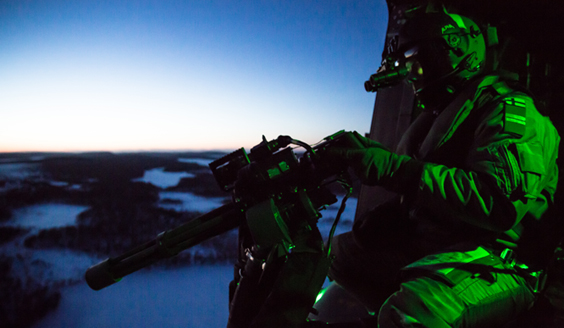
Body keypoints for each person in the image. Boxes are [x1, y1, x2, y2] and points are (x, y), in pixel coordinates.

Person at [324, 9, 560, 327]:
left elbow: (498, 203)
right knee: (339, 254)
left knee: (412, 312)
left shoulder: (508, 109)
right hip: (442, 244)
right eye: (408, 64)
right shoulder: (442, 113)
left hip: (499, 259)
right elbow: (431, 179)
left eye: (419, 59)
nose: (413, 73)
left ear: (454, 51)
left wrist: (393, 170)